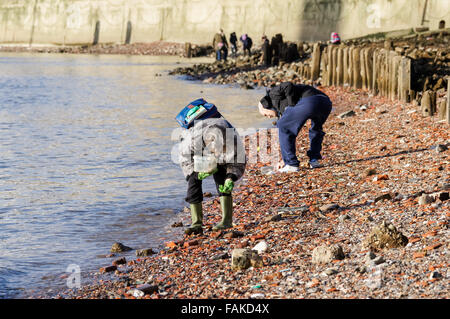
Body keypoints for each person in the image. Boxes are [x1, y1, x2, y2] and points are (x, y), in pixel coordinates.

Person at [177, 100, 246, 235]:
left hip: (219, 150)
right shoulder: (191, 138)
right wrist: (193, 174)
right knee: (193, 184)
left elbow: (238, 160)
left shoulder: (231, 136)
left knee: (222, 178)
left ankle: (226, 221)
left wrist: (231, 177)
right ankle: (196, 223)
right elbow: (184, 160)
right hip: (195, 154)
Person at [257, 82, 332, 172]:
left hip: (310, 100)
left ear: (266, 106)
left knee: (283, 126)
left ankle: (291, 164)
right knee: (316, 130)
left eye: (266, 114)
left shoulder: (272, 94)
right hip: (325, 102)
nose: (269, 117)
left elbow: (287, 85)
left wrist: (291, 105)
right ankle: (314, 160)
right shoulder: (280, 107)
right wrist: (283, 159)